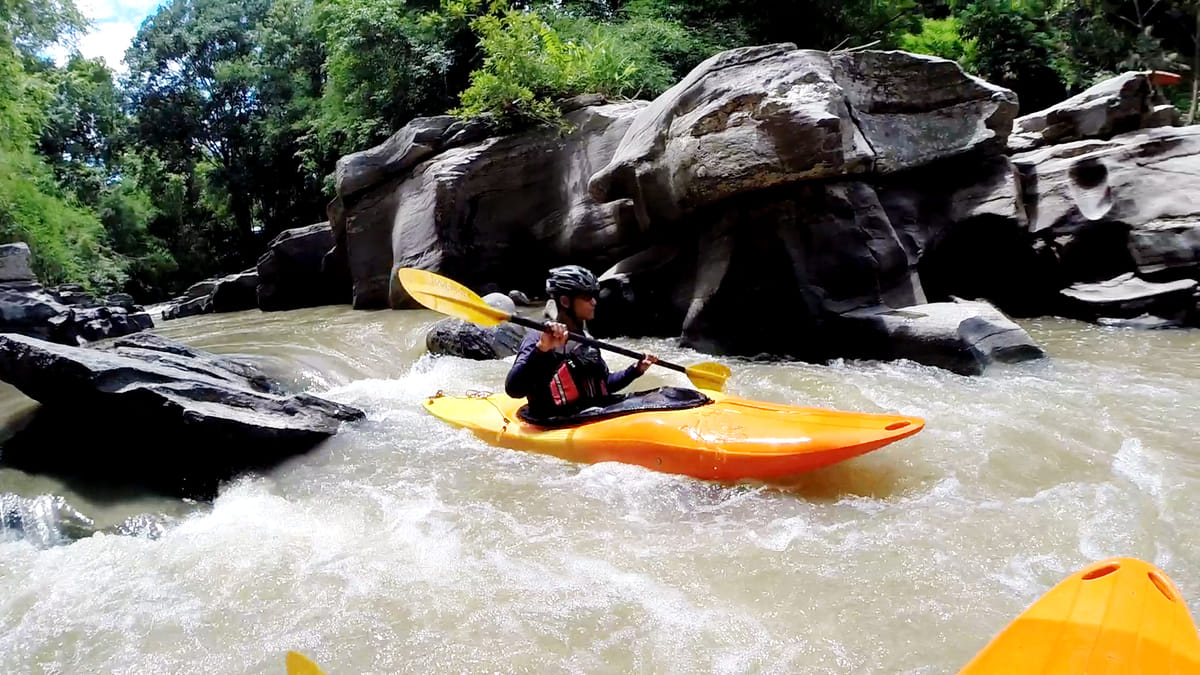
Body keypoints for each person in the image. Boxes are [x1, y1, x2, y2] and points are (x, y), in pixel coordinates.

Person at [505, 265, 658, 422]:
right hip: (554, 421)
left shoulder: (586, 340)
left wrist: (636, 369)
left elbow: (605, 384)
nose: (594, 302)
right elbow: (514, 390)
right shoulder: (537, 338)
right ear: (565, 301)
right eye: (586, 297)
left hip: (590, 414)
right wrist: (542, 350)